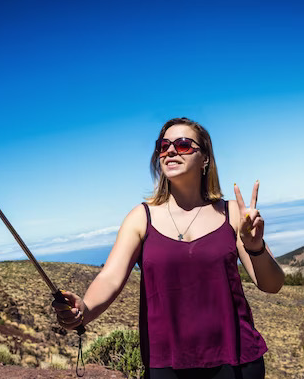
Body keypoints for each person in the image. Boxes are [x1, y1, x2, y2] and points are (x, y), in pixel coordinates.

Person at [53, 117, 285, 379]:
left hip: (237, 360)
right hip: (167, 364)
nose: (171, 151)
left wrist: (255, 247)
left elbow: (272, 284)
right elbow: (110, 277)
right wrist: (84, 309)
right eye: (163, 146)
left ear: (205, 158)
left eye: (183, 144)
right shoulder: (141, 217)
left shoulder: (231, 213)